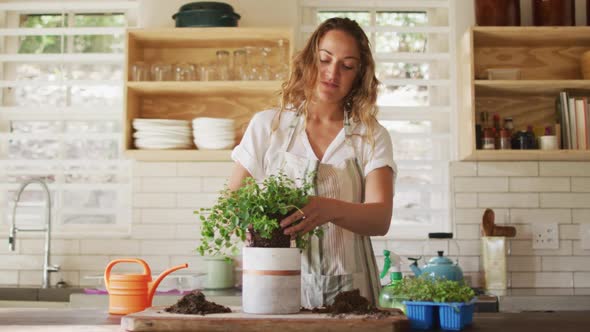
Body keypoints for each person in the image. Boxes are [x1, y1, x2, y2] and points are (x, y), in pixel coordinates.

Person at [229, 17, 397, 308]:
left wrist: (328, 208)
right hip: (278, 288)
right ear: (309, 61)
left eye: (347, 66)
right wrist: (257, 232)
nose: (332, 73)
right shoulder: (269, 126)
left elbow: (380, 218)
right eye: (324, 59)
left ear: (359, 75)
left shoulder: (369, 136)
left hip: (353, 294)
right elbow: (233, 204)